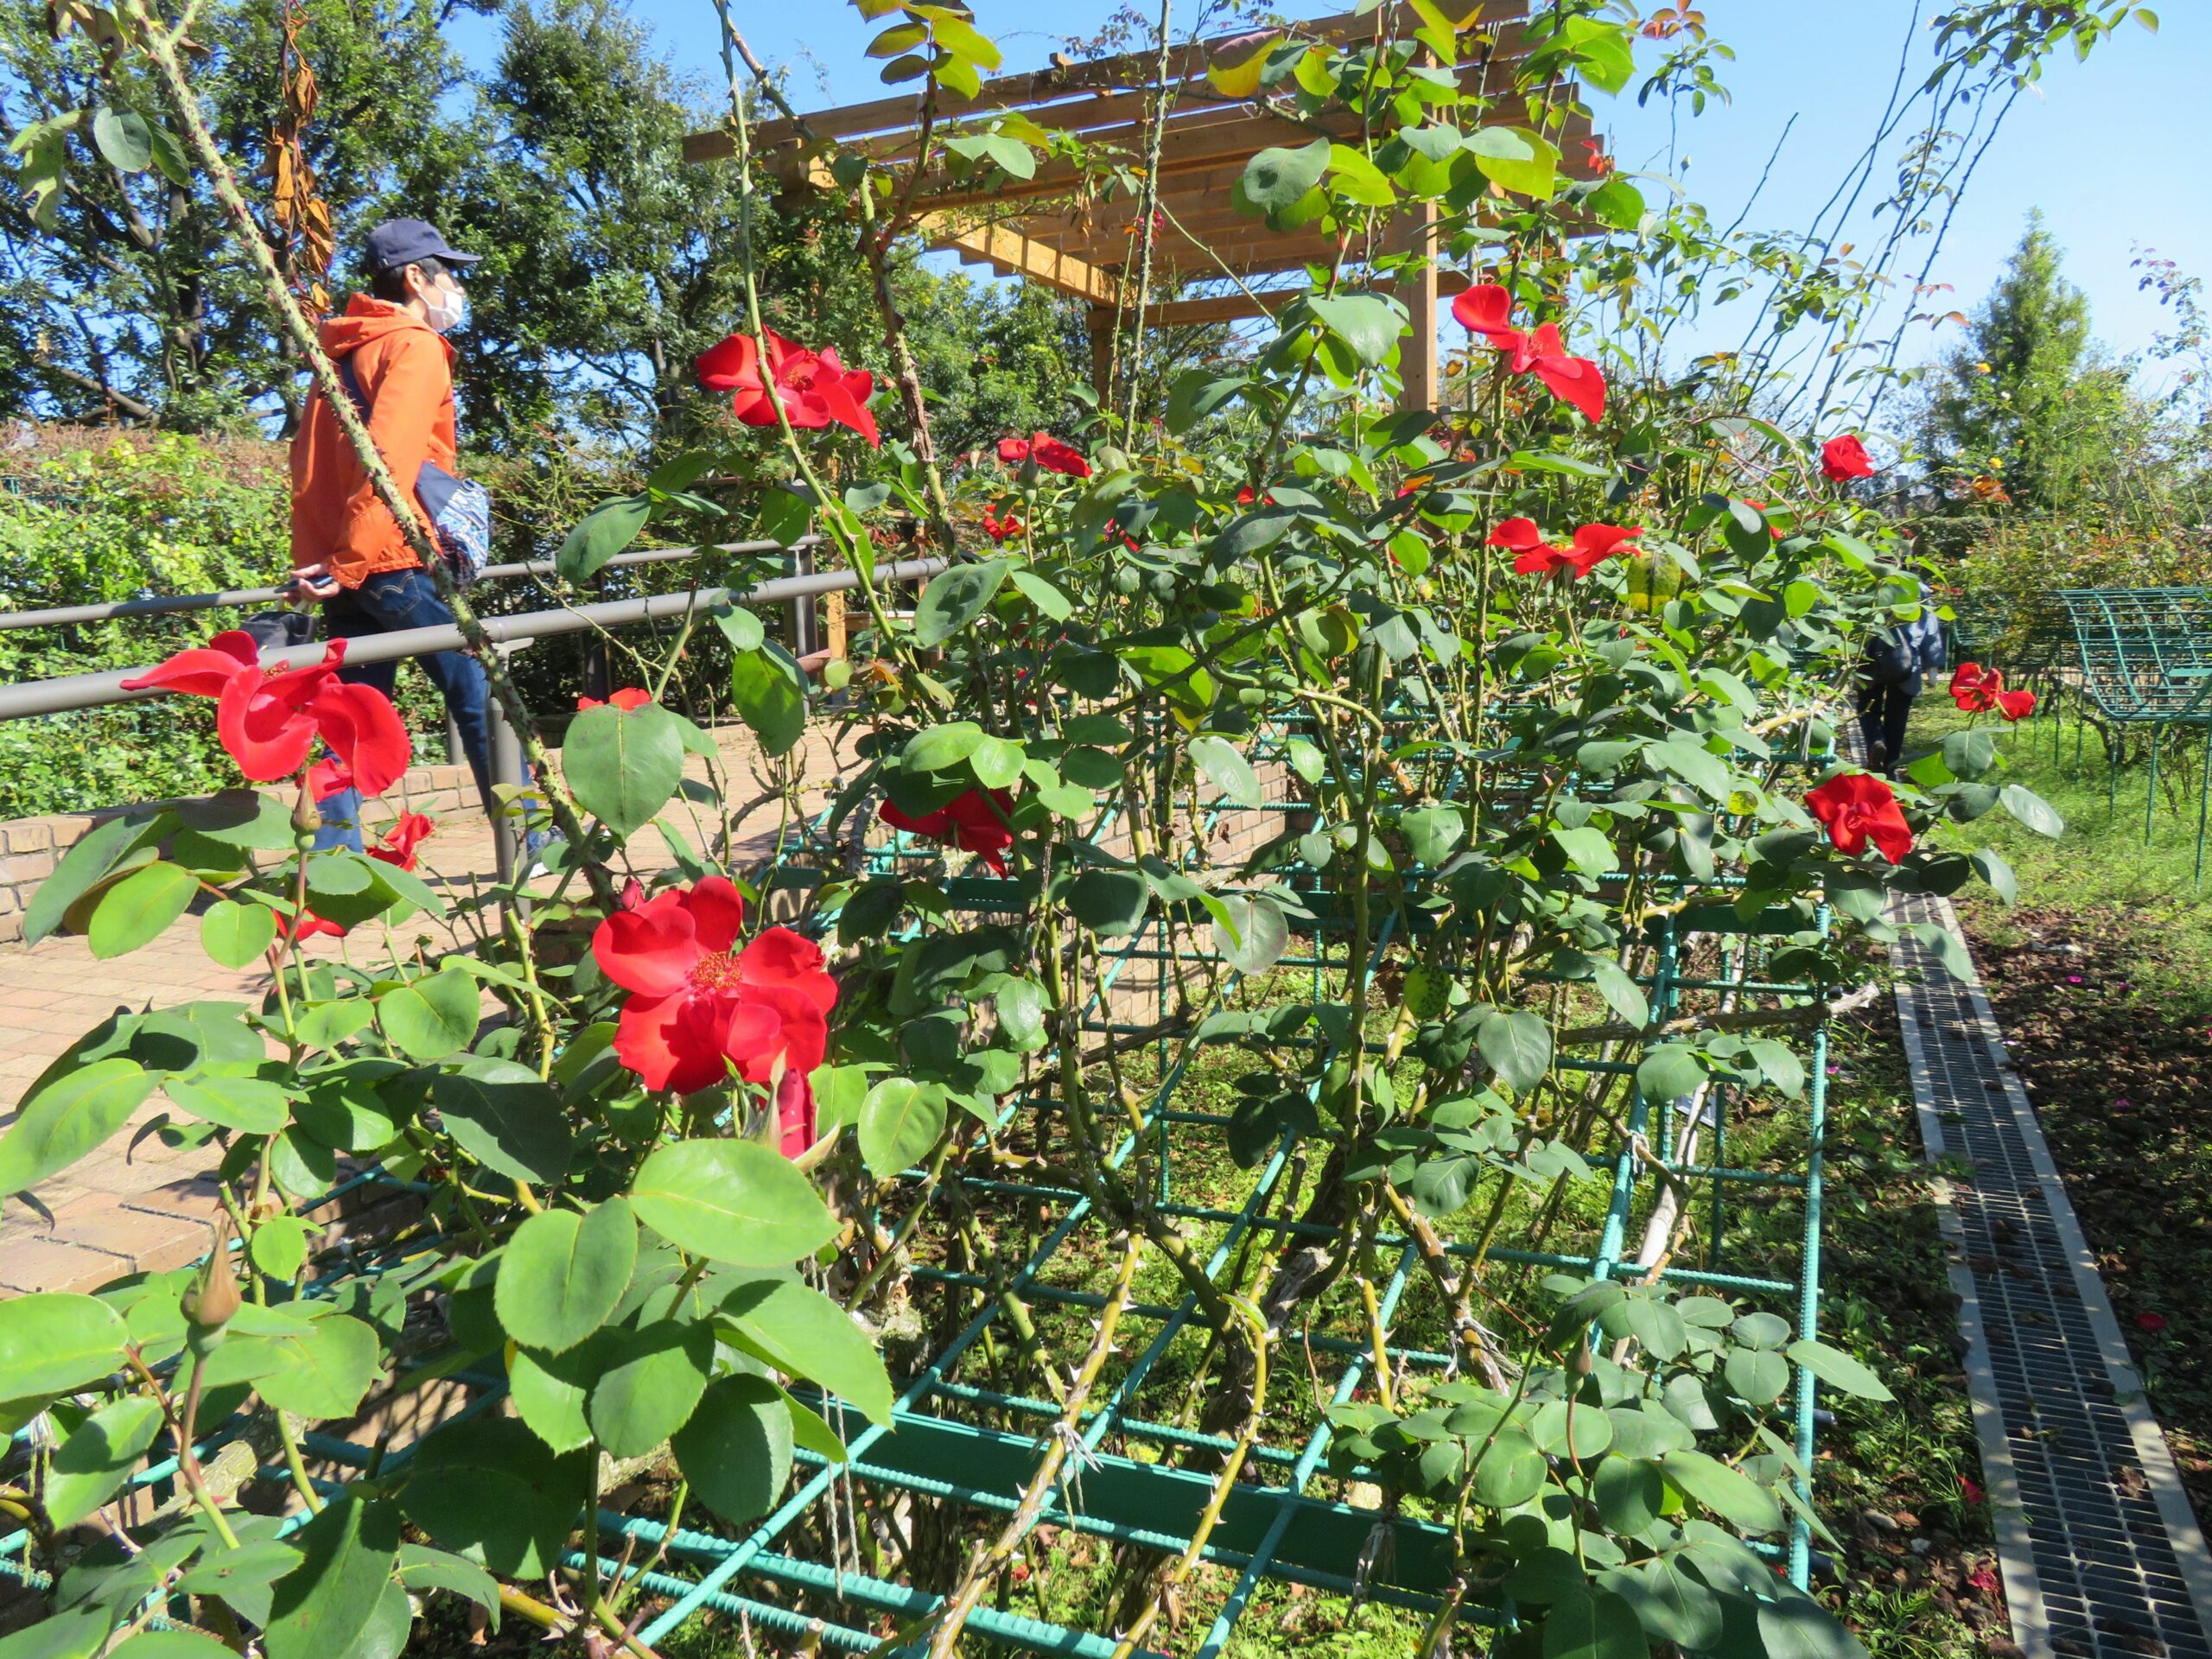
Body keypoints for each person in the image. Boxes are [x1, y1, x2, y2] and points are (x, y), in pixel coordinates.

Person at [288, 218, 498, 853]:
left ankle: (331, 866)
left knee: (350, 721)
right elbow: (392, 461)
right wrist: (353, 561)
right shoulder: (414, 346)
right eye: (449, 272)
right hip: (393, 558)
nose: (456, 288)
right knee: (484, 699)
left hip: (348, 562)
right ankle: (535, 844)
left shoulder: (342, 352)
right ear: (416, 276)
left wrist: (330, 563)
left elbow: (309, 469)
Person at [1857, 580, 1946, 779]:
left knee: (1867, 708)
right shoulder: (1919, 589)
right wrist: (1932, 668)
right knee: (1897, 715)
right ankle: (1890, 768)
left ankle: (1875, 742)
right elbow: (1930, 629)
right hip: (1905, 661)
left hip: (1868, 657)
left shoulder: (1869, 582)